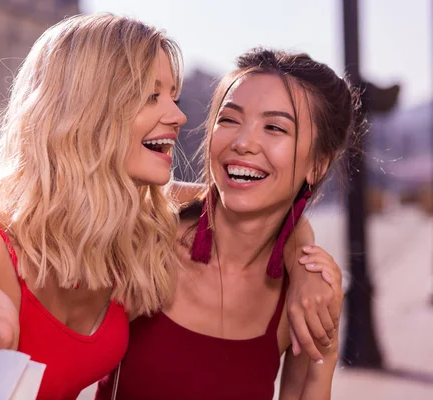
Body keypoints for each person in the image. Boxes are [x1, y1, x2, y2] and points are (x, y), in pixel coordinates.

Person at [0, 15, 341, 400]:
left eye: (172, 95)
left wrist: (302, 260)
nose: (178, 116)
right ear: (89, 107)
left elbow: (250, 210)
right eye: (150, 95)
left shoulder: (128, 225)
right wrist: (0, 357)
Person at [97, 48, 359, 400]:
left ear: (318, 165)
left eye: (274, 127)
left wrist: (324, 354)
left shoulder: (301, 299)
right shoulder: (148, 234)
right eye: (229, 119)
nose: (243, 143)